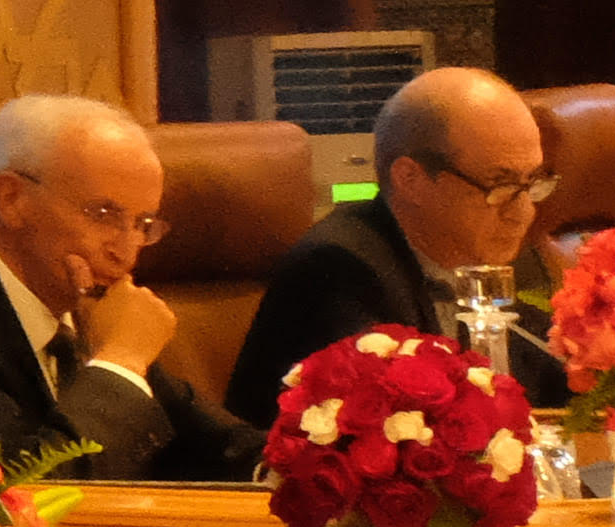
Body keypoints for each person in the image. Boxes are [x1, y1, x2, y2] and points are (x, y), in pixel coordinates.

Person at [0, 92, 263, 479]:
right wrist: (121, 361)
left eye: (143, 225)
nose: (126, 253)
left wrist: (287, 473)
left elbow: (221, 447)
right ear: (12, 199)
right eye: (104, 215)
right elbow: (27, 490)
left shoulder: (84, 302)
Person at [225, 63, 581, 422]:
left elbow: (563, 405)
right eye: (499, 185)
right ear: (410, 179)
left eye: (532, 182)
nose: (523, 214)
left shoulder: (516, 259)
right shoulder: (340, 271)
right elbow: (399, 433)